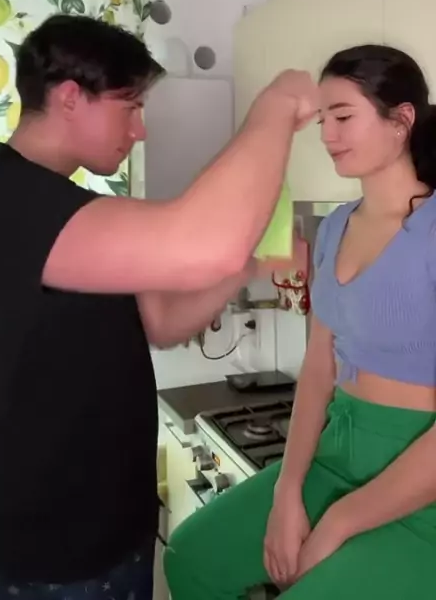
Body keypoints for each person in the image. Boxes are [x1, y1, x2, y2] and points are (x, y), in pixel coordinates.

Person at [0, 13, 318, 600]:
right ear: (70, 97)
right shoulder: (7, 202)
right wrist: (273, 107)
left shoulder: (72, 209)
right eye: (130, 107)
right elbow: (205, 242)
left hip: (105, 533)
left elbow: (162, 321)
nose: (140, 130)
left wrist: (251, 267)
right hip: (48, 554)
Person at [164, 42, 436, 600]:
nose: (327, 135)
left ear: (402, 118)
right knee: (191, 557)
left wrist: (338, 522)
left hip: (420, 481)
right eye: (322, 120)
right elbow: (318, 367)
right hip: (336, 451)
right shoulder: (333, 228)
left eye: (343, 117)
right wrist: (287, 491)